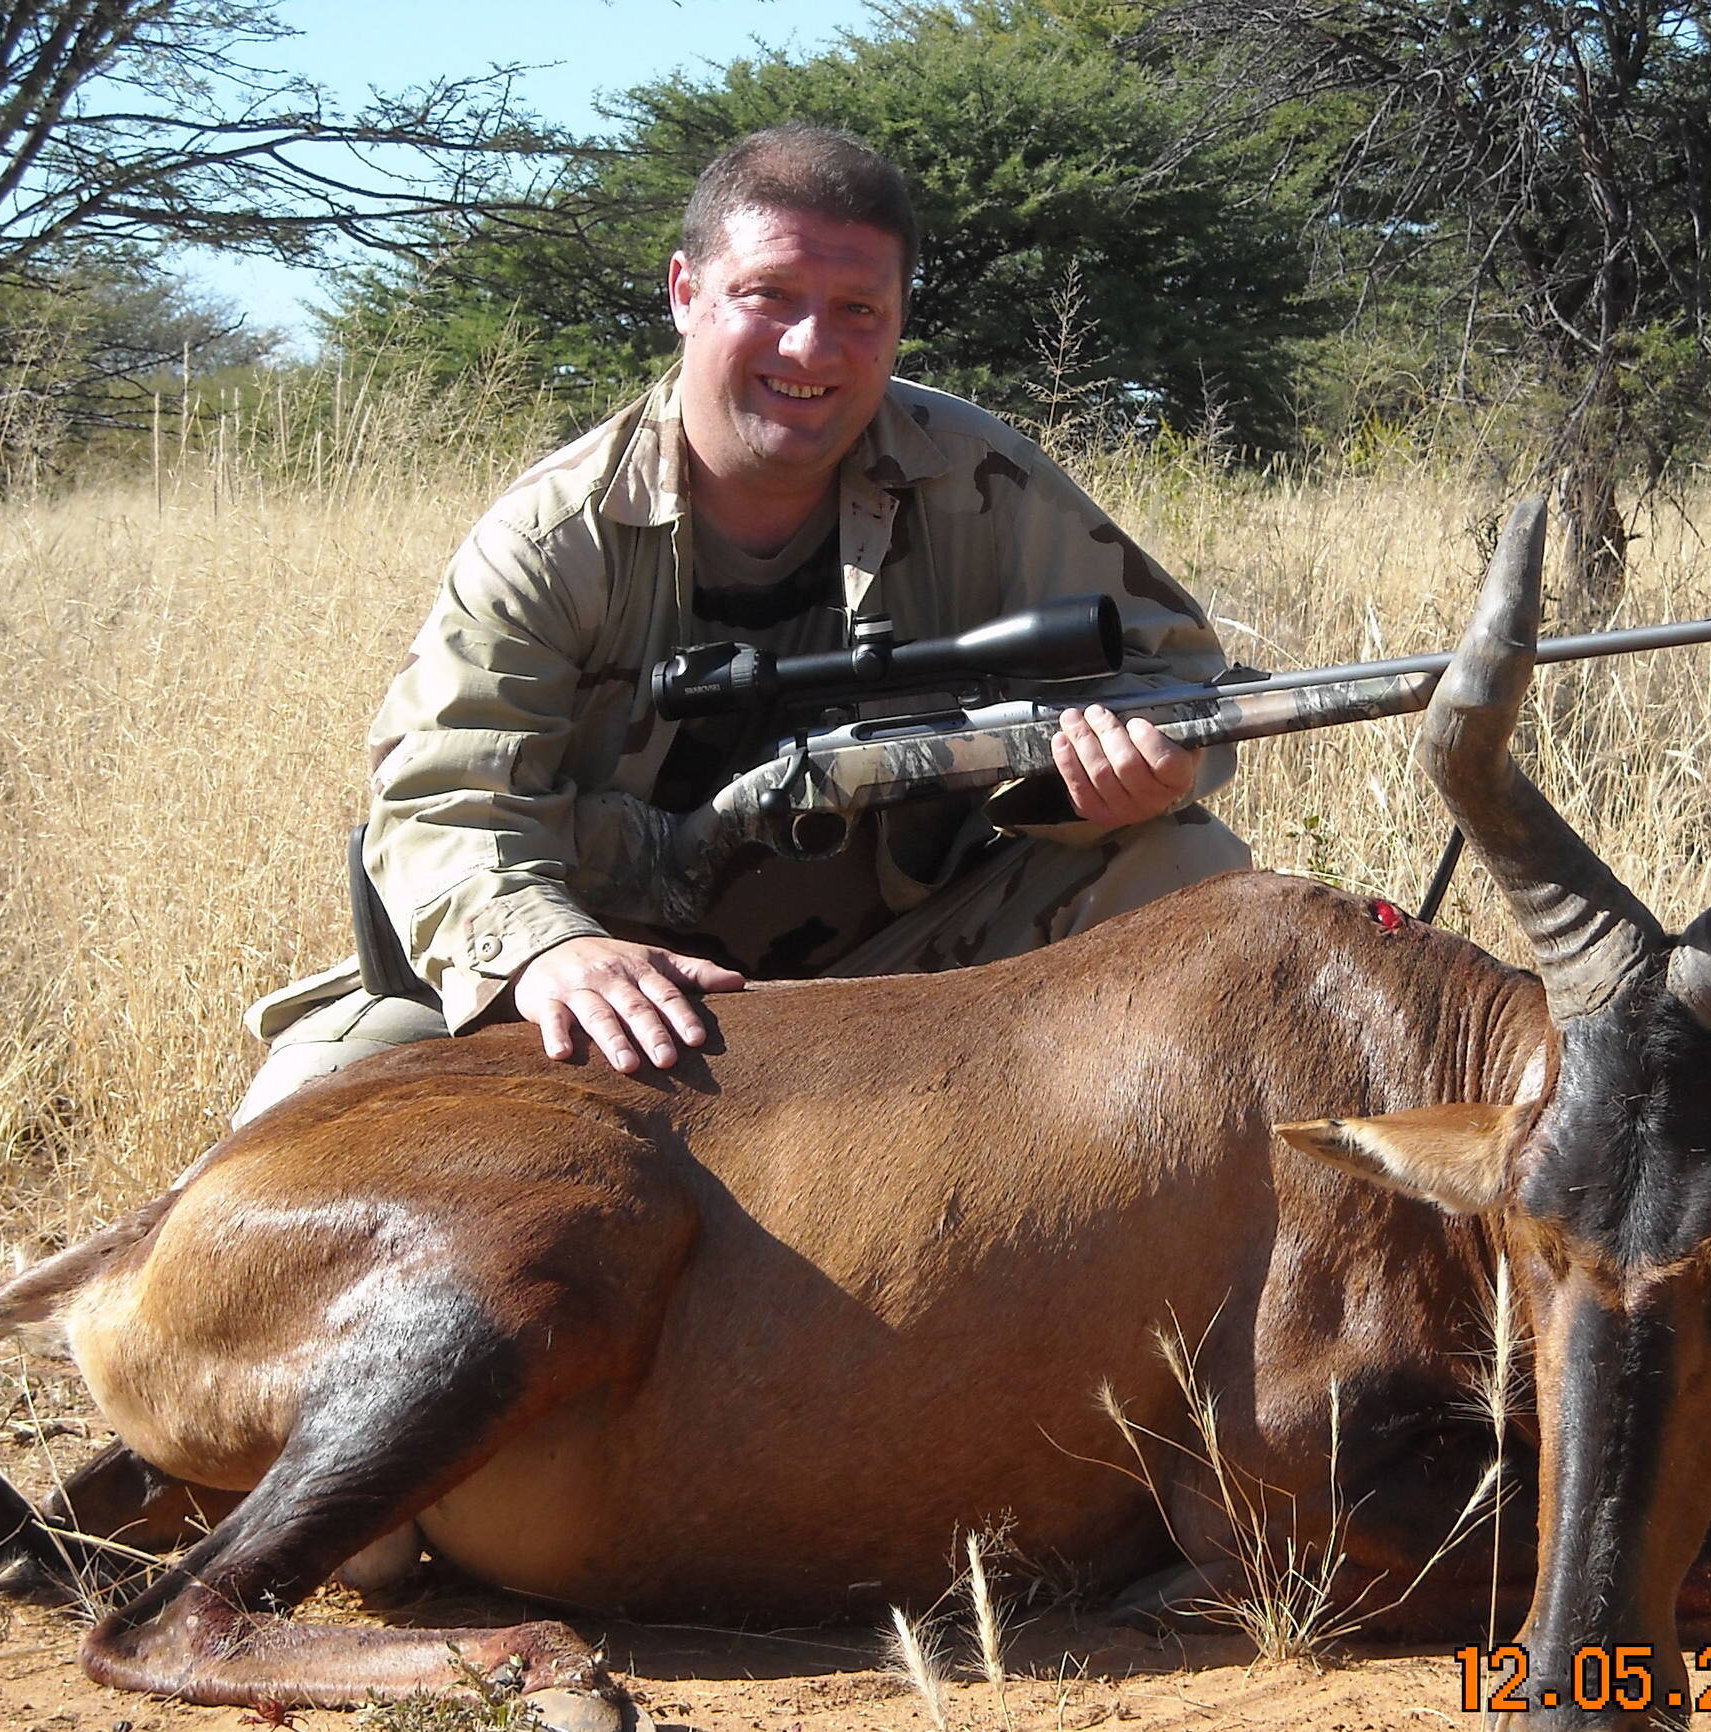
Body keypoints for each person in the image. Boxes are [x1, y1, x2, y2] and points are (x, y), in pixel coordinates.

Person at [235, 126, 1252, 1123]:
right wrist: (547, 950)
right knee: (295, 1117)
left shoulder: (974, 472)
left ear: (900, 321)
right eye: (767, 296)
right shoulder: (552, 535)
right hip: (601, 964)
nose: (811, 348)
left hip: (887, 967)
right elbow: (444, 798)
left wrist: (1116, 787)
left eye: (859, 309)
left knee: (1182, 864)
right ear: (684, 291)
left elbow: (1171, 679)